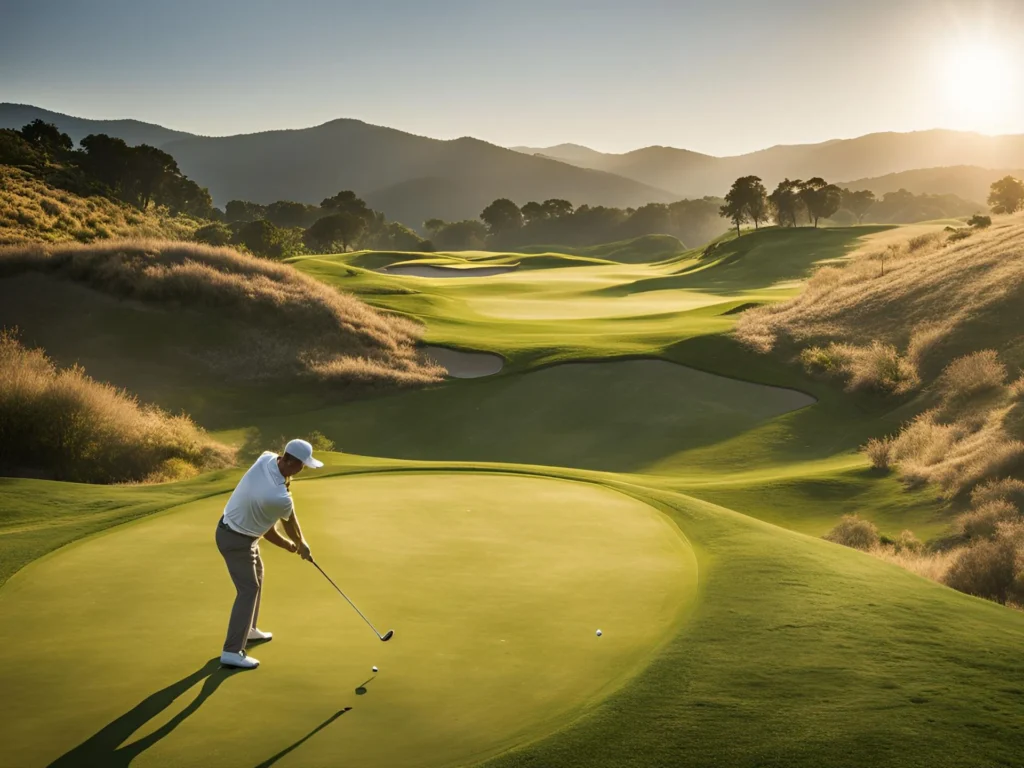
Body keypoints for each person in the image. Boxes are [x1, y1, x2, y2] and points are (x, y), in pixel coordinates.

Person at [215, 438, 323, 669]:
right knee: (248, 589)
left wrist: (286, 545)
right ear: (291, 462)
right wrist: (302, 545)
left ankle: (250, 629)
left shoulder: (266, 457)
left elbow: (267, 529)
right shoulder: (278, 497)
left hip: (238, 532)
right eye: (302, 465)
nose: (303, 470)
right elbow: (291, 524)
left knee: (258, 573)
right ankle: (231, 651)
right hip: (236, 540)